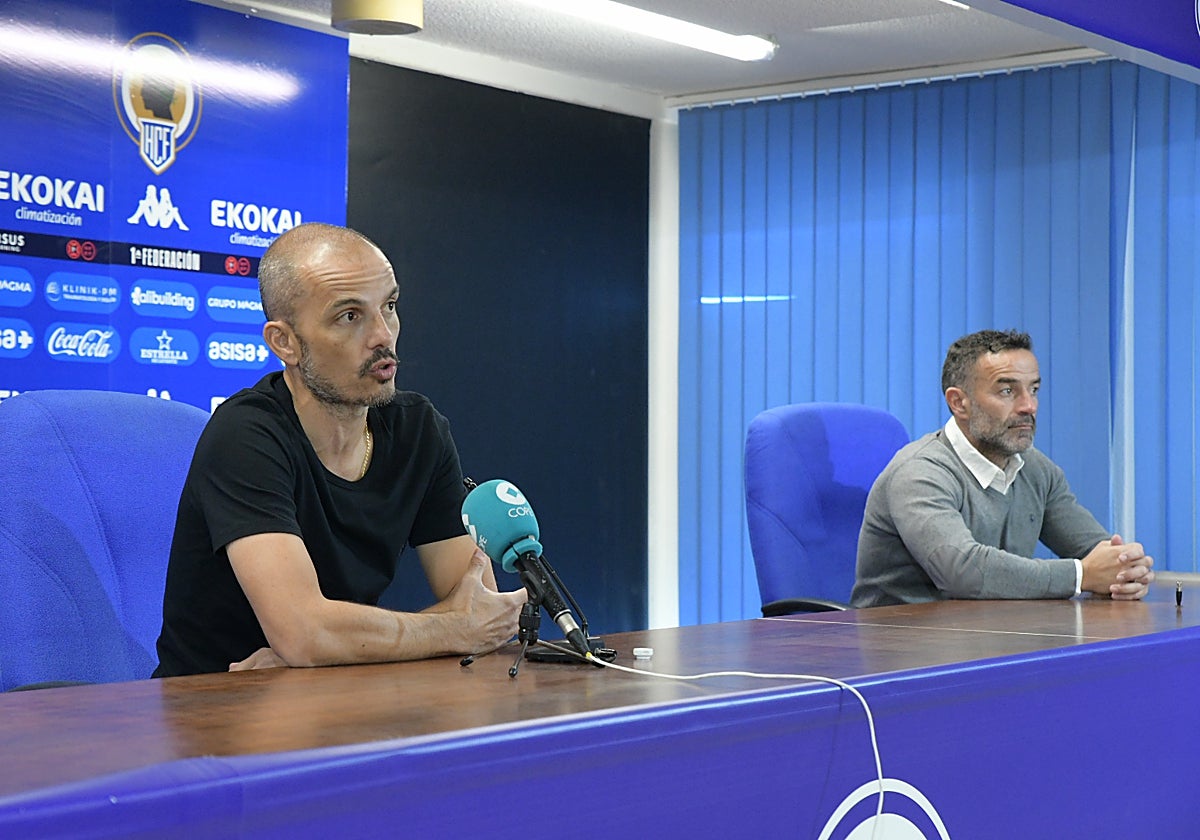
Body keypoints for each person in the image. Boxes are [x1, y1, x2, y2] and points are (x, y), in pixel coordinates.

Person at [154, 223, 525, 676]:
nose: (382, 336)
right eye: (349, 316)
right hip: (213, 712)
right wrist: (319, 643)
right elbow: (306, 635)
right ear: (284, 342)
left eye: (389, 306)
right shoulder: (246, 435)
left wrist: (330, 648)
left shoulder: (418, 430)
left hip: (338, 696)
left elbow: (479, 606)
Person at [851, 329, 1155, 608]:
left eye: (1033, 390)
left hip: (991, 638)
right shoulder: (920, 473)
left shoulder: (1036, 470)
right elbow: (963, 572)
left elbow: (1096, 552)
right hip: (901, 647)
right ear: (959, 403)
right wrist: (1081, 575)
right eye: (1008, 392)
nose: (1029, 406)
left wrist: (1126, 569)